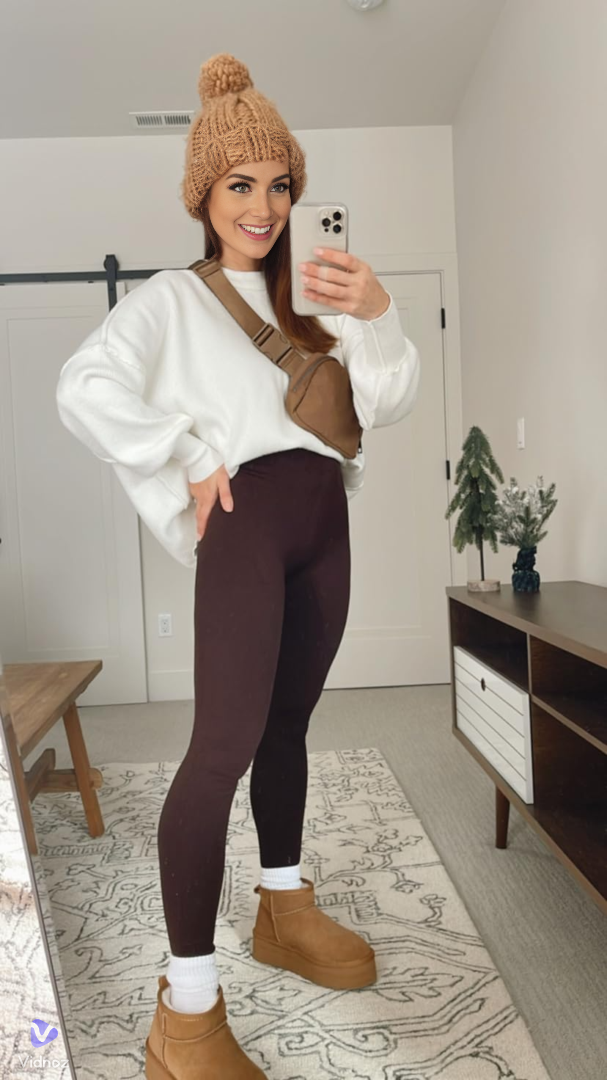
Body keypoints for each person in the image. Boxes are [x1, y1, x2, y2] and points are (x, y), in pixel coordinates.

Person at [56, 52, 421, 1080]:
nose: (261, 207)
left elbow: (386, 402)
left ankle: (283, 906)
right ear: (203, 196)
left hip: (324, 525)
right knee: (220, 749)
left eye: (278, 184)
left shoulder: (319, 293)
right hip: (248, 527)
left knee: (290, 724)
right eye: (238, 185)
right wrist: (181, 453)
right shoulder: (173, 299)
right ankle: (185, 1014)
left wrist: (379, 312)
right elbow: (82, 386)